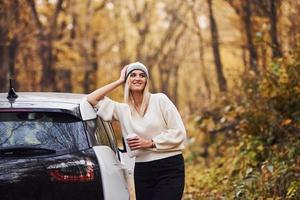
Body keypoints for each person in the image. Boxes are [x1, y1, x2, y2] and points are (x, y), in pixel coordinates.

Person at [86, 62, 186, 200]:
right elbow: (91, 99)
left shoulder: (160, 100)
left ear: (146, 81)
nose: (137, 78)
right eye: (132, 75)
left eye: (142, 75)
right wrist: (119, 80)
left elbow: (179, 132)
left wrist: (150, 143)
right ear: (127, 81)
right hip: (142, 169)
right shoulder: (122, 109)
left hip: (169, 166)